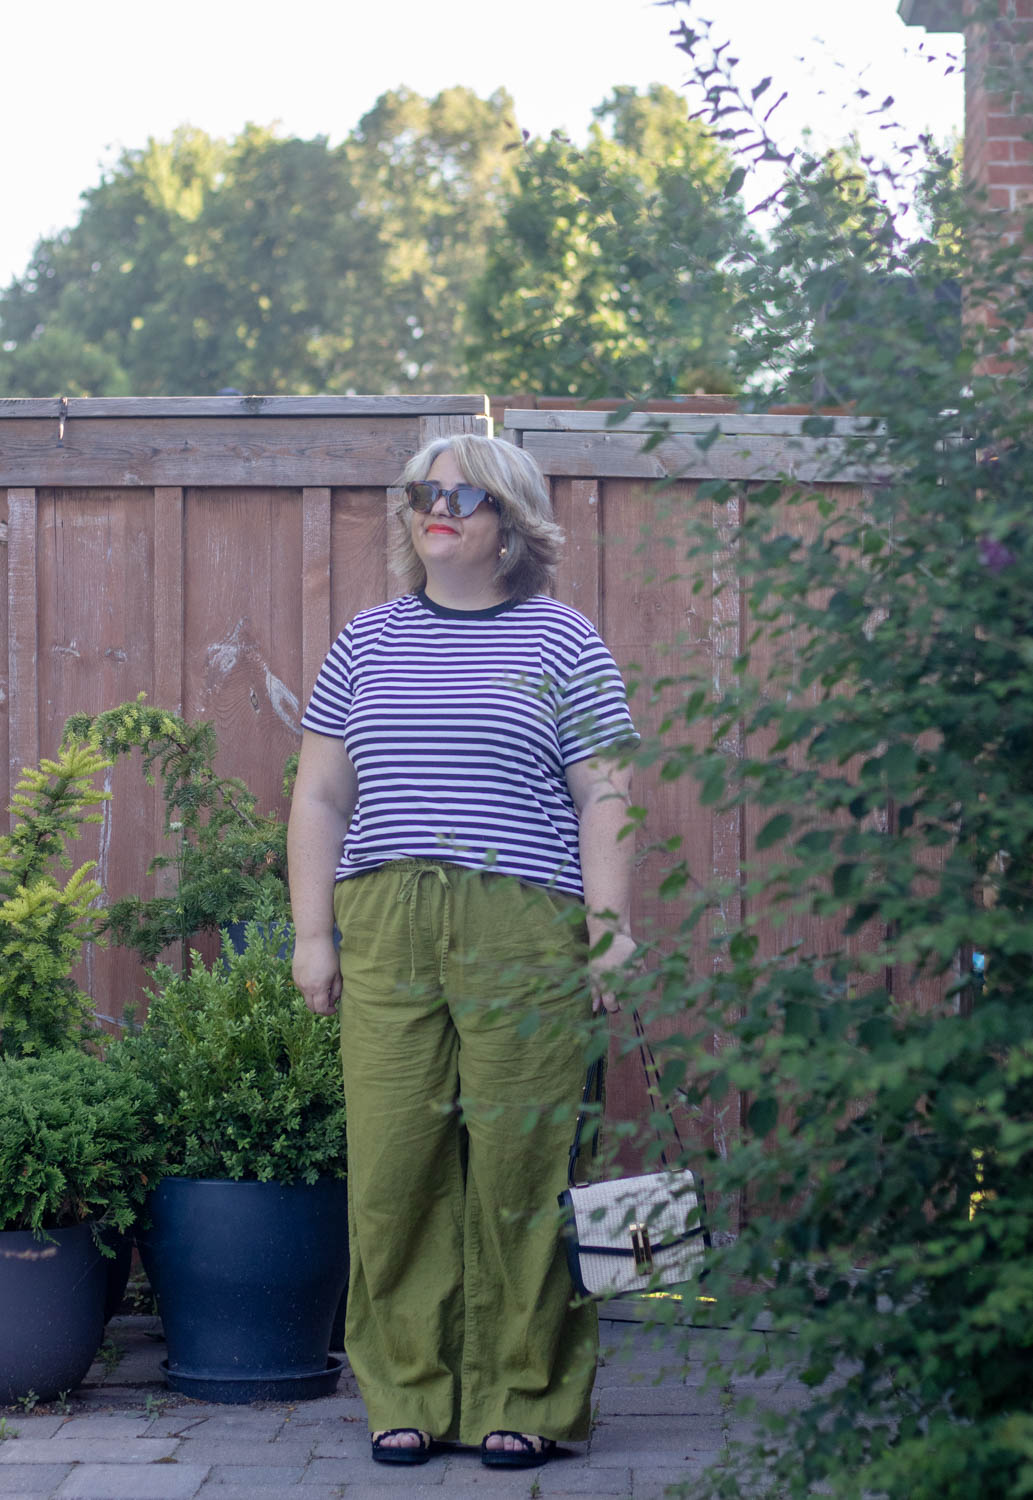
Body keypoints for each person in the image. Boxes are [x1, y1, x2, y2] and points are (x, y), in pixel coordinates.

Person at [288, 433, 638, 1470]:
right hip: (387, 920)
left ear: (512, 524)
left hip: (522, 923)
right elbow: (317, 795)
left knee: (521, 1164)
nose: (438, 508)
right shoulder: (365, 641)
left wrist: (611, 930)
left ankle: (521, 1394)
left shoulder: (566, 642)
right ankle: (407, 1389)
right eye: (422, 494)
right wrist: (314, 932)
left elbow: (604, 793)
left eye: (465, 495)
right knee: (394, 1161)